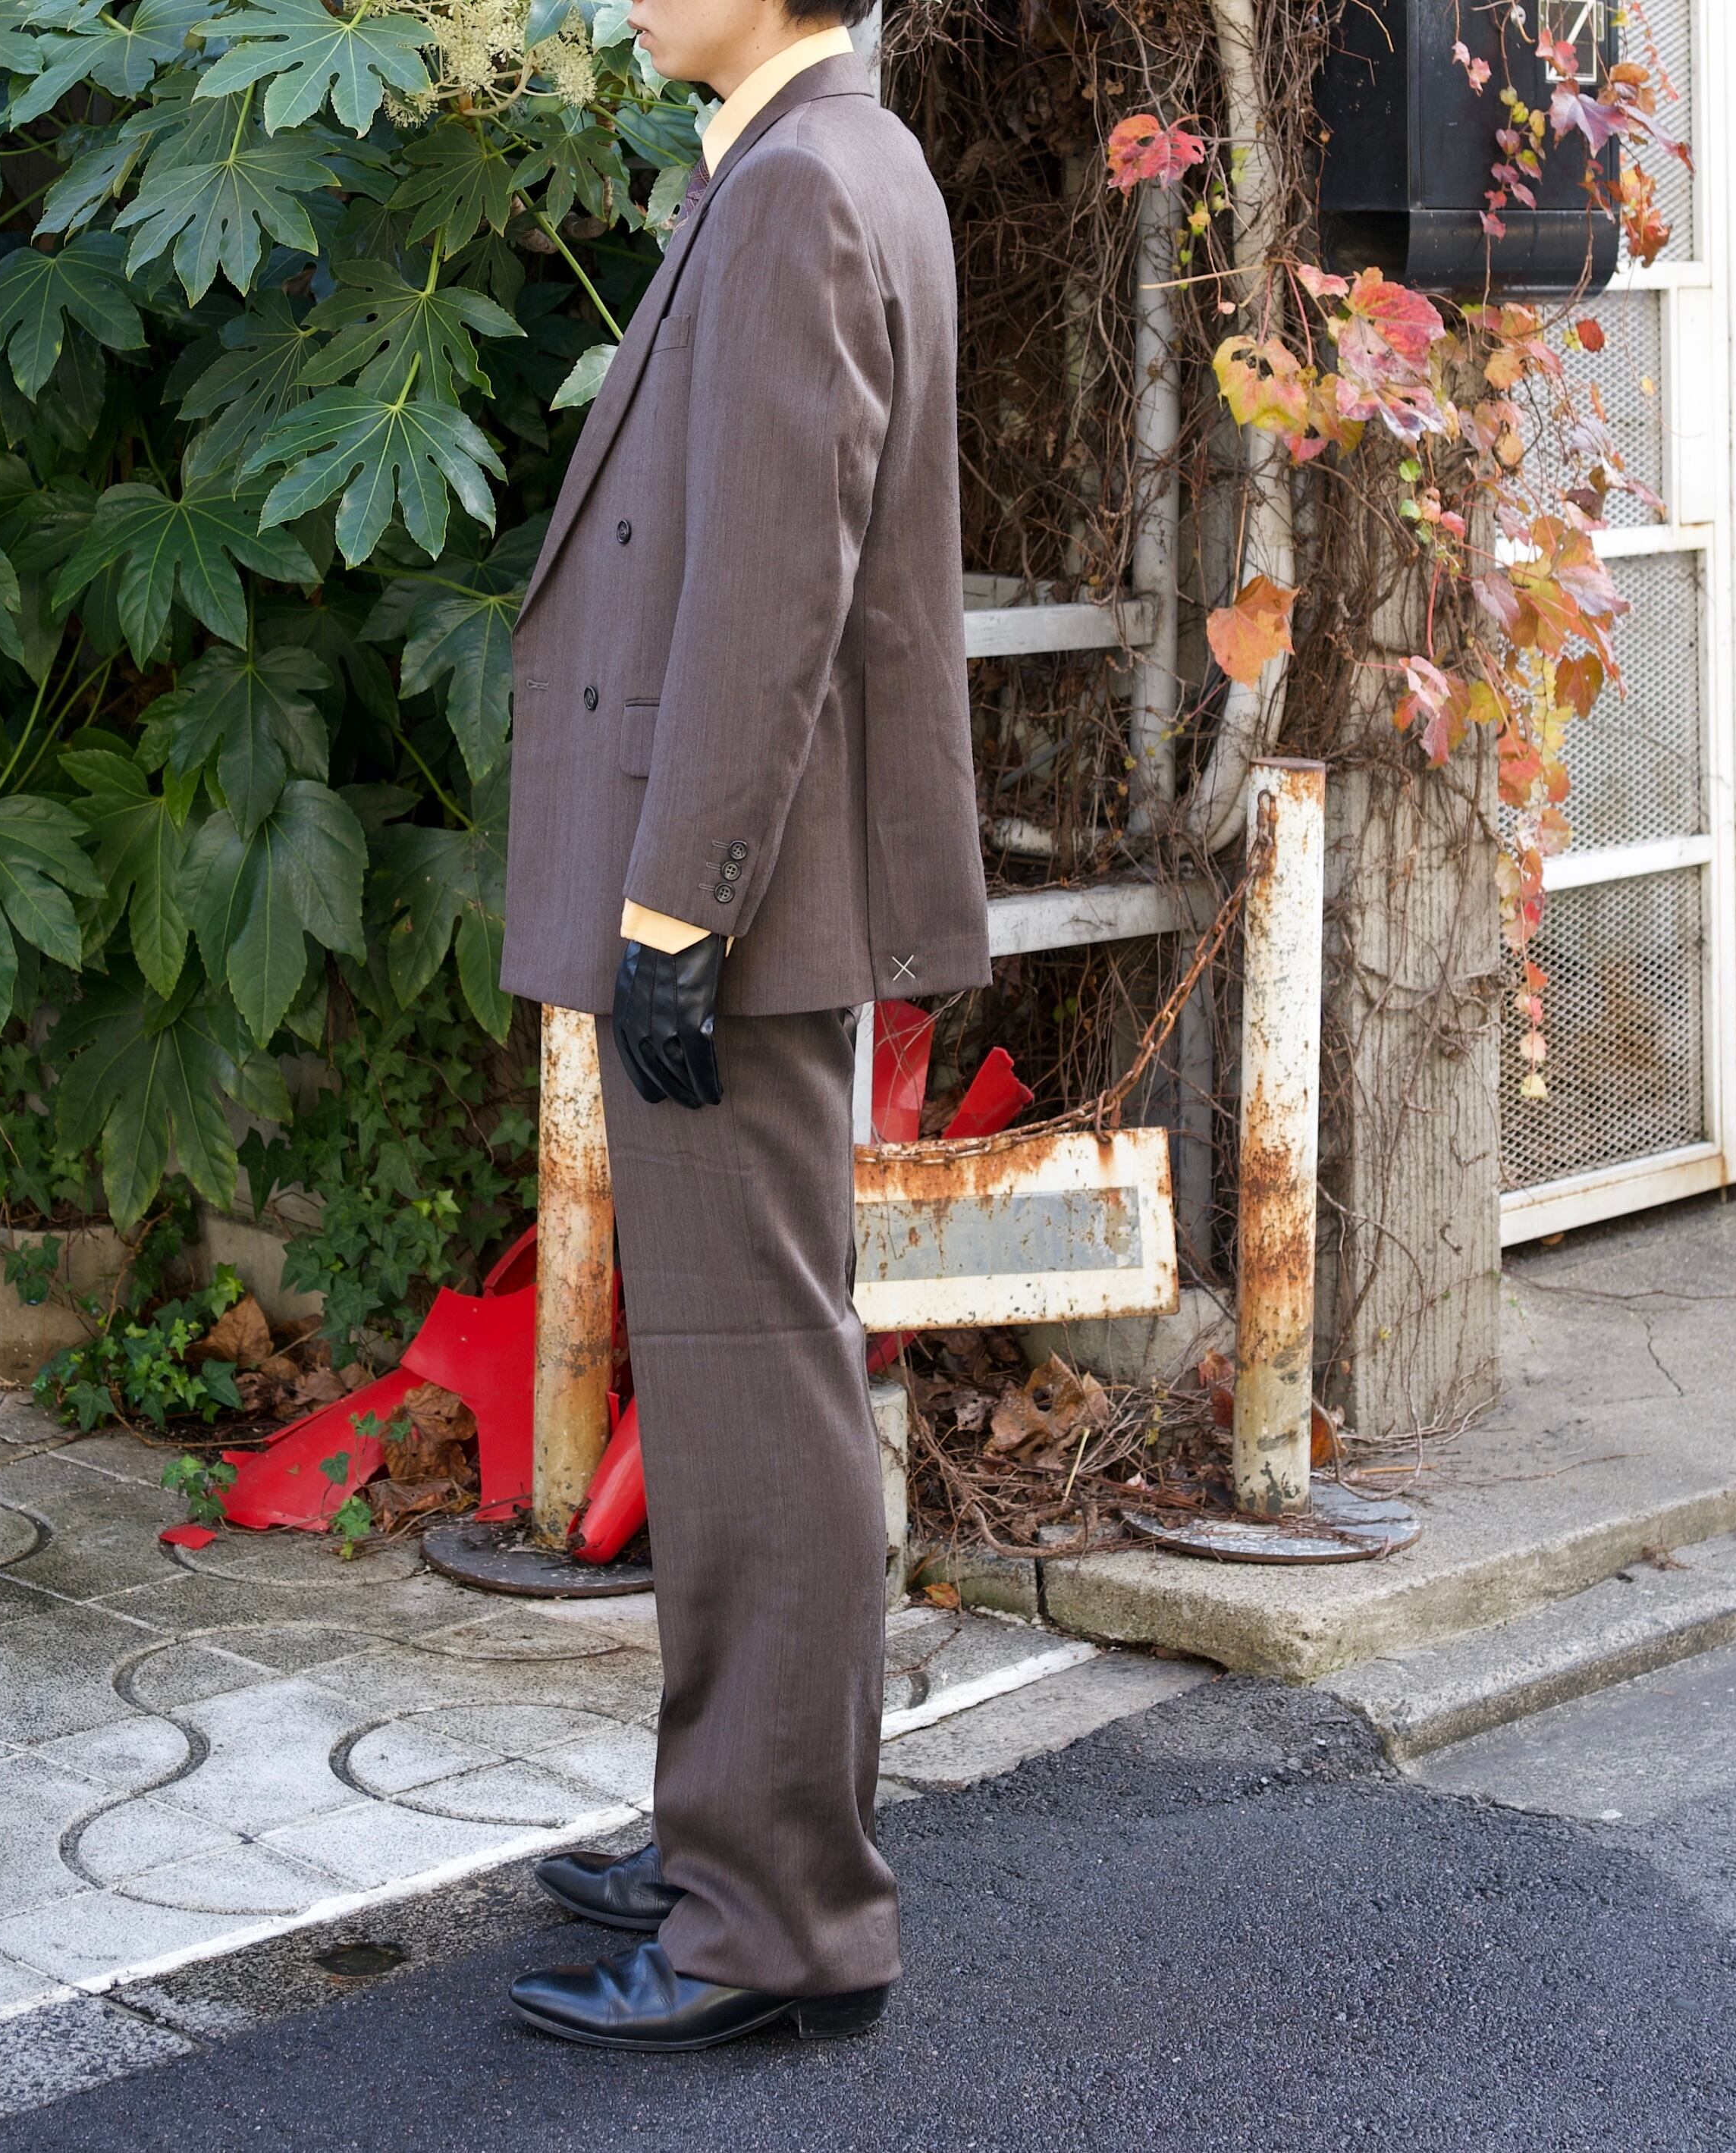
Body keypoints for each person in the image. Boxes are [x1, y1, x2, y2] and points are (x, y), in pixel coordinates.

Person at [498, 0, 989, 2054]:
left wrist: (675, 910)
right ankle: (735, 1831)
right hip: (758, 887)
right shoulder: (830, 157)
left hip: (735, 897)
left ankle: (774, 1916)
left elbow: (771, 590)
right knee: (744, 1384)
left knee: (753, 1390)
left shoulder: (798, 184)